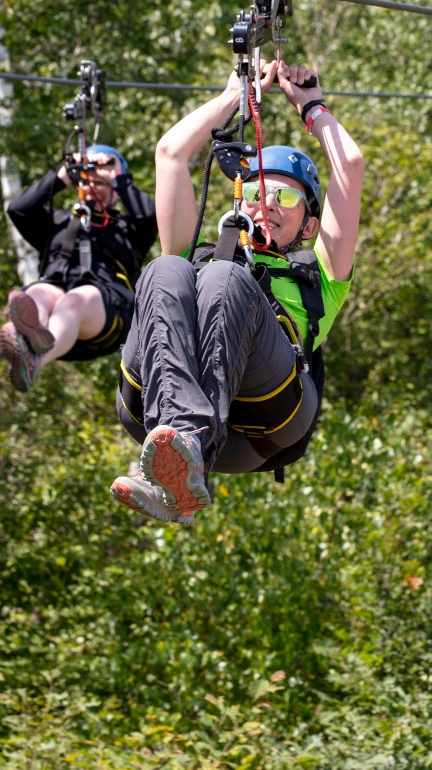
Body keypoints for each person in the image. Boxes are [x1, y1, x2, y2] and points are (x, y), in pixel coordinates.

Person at [110, 59, 363, 524]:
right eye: (255, 193)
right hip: (151, 404)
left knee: (227, 280)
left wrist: (312, 107)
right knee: (167, 267)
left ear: (309, 223)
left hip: (266, 417)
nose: (265, 203)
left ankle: (186, 452)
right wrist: (233, 98)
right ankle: (175, 467)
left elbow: (349, 165)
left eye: (283, 197)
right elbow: (169, 154)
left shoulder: (316, 278)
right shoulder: (204, 256)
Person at [0, 145, 157, 391]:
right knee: (39, 294)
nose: (95, 188)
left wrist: (117, 177)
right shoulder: (58, 223)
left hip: (107, 309)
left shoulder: (129, 230)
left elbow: (149, 215)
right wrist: (63, 175)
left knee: (74, 300)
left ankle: (34, 361)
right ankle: (28, 334)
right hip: (57, 318)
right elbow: (19, 209)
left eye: (103, 184)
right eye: (88, 181)